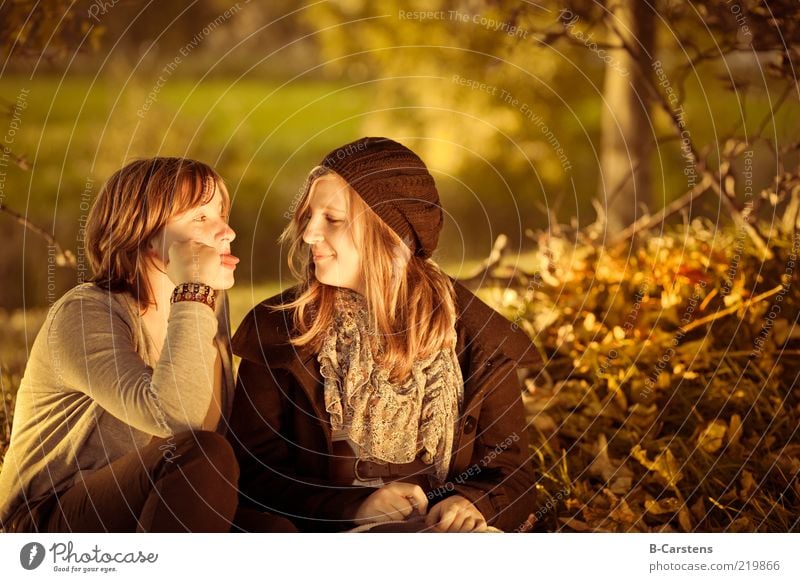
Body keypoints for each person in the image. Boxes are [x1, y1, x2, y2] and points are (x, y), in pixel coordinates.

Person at [229, 137, 540, 532]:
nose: (308, 234)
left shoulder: (476, 336)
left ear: (394, 236)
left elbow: (510, 472)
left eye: (333, 220)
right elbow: (252, 474)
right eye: (308, 216)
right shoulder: (279, 329)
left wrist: (471, 503)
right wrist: (354, 507)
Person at [0, 157, 282, 532]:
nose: (227, 231)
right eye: (200, 218)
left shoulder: (205, 306)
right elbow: (177, 421)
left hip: (150, 511)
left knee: (274, 535)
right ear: (145, 233)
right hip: (45, 522)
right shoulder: (85, 313)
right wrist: (193, 289)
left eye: (221, 214)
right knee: (201, 454)